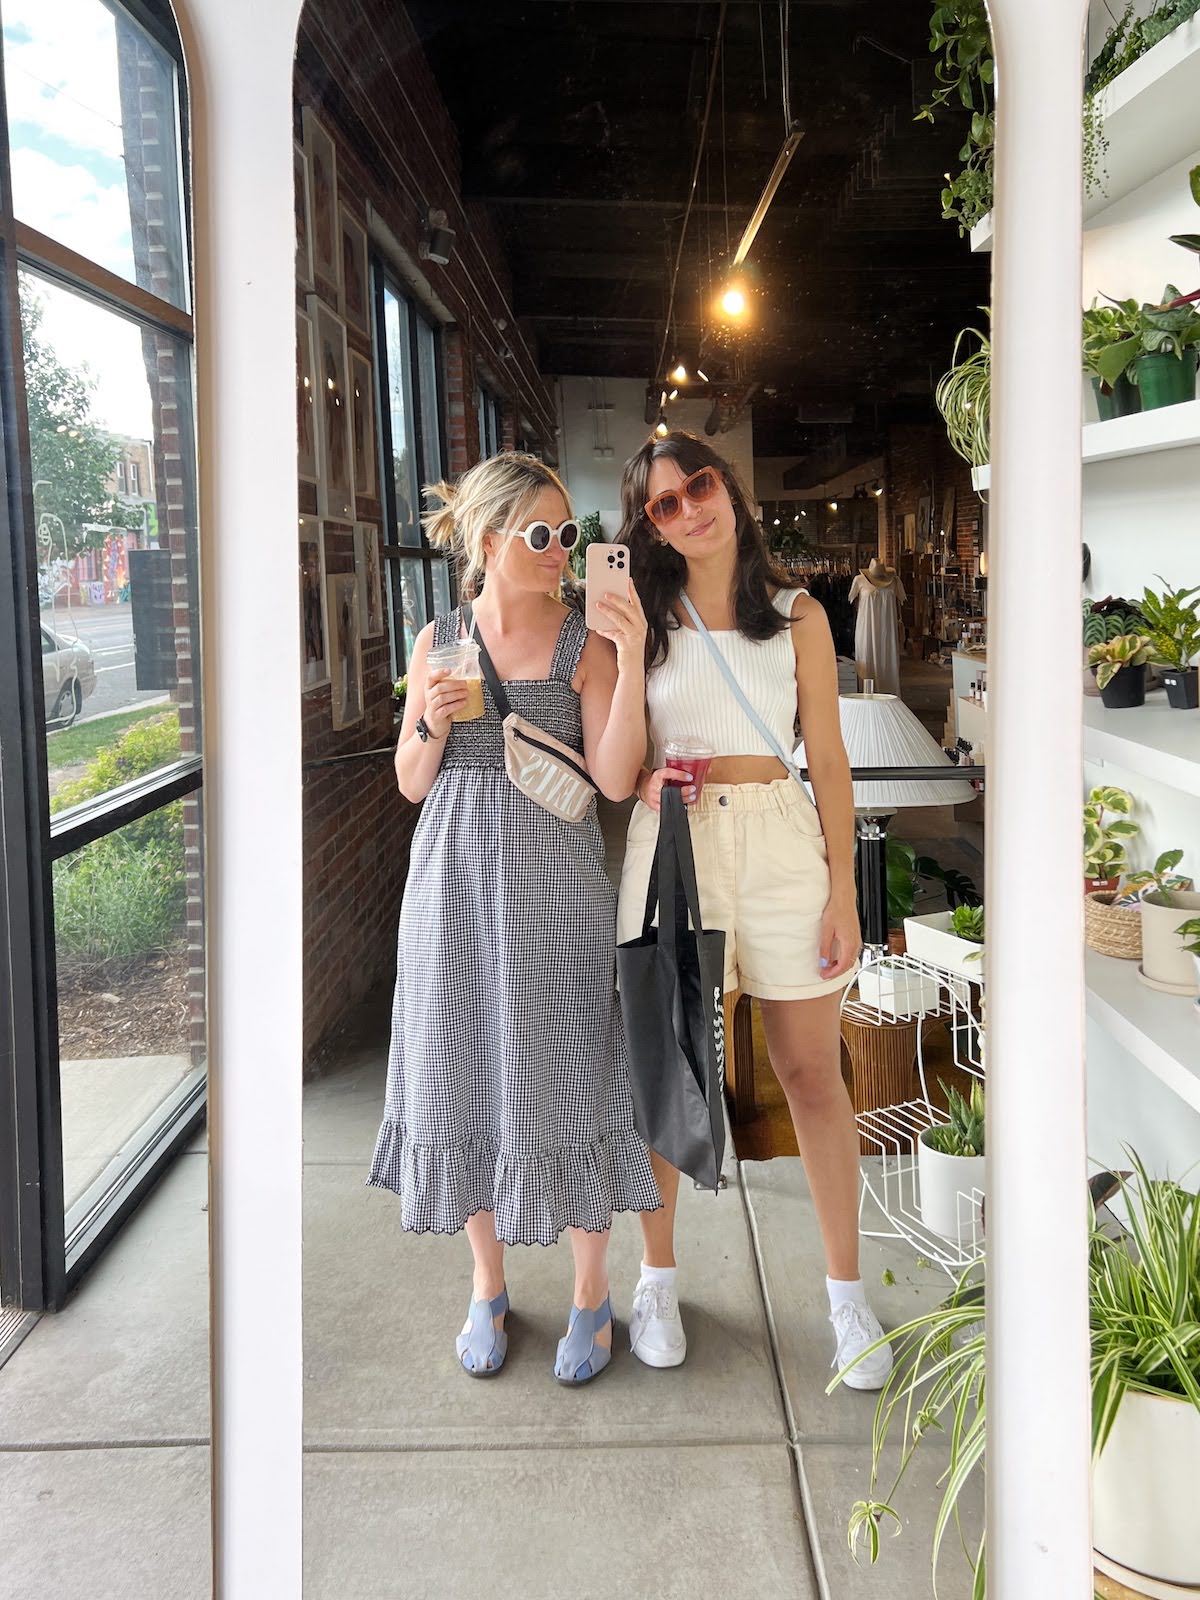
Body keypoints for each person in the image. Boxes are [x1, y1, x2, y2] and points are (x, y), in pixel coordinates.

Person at [368, 452, 660, 1385]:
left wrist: (627, 648)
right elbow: (413, 783)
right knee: (461, 1063)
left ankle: (589, 1292)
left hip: (557, 885)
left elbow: (615, 780)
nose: (561, 552)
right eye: (542, 535)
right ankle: (486, 1286)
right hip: (450, 884)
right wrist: (432, 724)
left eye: (570, 535)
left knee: (569, 1064)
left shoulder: (584, 644)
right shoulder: (437, 641)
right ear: (488, 542)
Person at [614, 430, 893, 1391]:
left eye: (698, 485)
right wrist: (646, 776)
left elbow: (830, 759)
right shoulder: (639, 618)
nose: (689, 508)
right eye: (663, 503)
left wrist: (845, 891)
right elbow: (617, 755)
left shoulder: (797, 615)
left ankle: (845, 1295)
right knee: (670, 1068)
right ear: (649, 526)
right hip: (675, 844)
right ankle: (656, 1278)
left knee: (811, 1073)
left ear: (727, 485)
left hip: (781, 845)